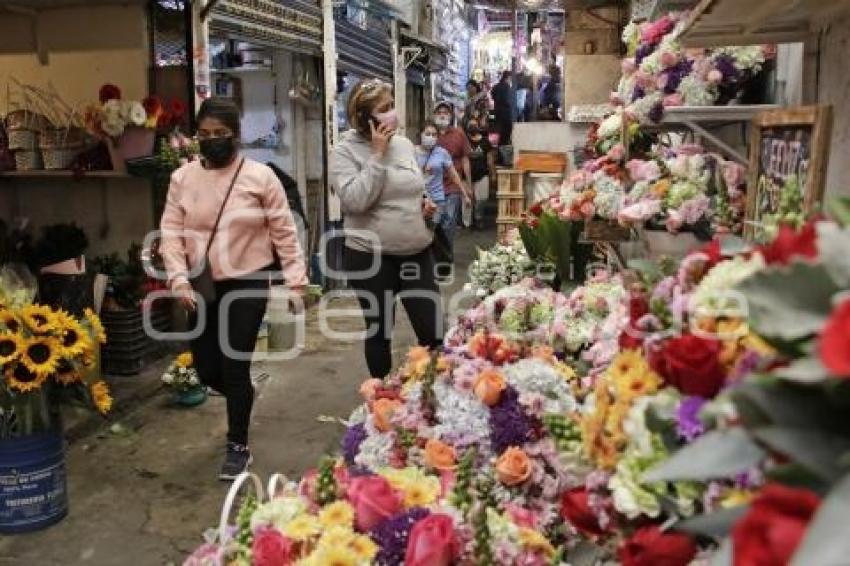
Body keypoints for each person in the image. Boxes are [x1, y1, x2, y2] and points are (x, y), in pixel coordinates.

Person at [159, 97, 309, 480]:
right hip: (201, 284)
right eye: (205, 134)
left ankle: (237, 446)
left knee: (234, 362)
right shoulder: (183, 179)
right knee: (208, 369)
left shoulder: (260, 177)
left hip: (249, 281)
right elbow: (171, 233)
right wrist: (177, 278)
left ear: (236, 135)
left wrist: (296, 282)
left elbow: (284, 233)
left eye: (221, 134)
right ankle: (241, 396)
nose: (213, 141)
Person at [329, 79, 443, 379]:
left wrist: (424, 203)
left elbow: (411, 186)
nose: (393, 113)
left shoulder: (404, 145)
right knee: (380, 329)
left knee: (433, 330)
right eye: (384, 109)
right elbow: (355, 201)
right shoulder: (344, 152)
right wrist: (377, 156)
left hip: (416, 251)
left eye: (392, 105)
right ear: (365, 118)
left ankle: (432, 395)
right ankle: (381, 396)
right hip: (370, 256)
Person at [415, 121, 465, 244]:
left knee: (434, 232)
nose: (431, 137)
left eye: (434, 134)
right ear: (421, 134)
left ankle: (437, 259)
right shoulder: (412, 152)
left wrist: (464, 193)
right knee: (420, 233)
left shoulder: (441, 152)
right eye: (427, 134)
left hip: (437, 200)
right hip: (418, 200)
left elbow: (453, 174)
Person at [433, 101, 473, 238]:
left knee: (449, 222)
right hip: (434, 186)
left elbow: (465, 160)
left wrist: (468, 183)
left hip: (453, 186)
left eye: (446, 112)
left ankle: (447, 255)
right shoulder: (430, 134)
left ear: (451, 115)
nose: (442, 115)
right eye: (439, 112)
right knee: (435, 222)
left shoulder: (459, 134)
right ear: (434, 115)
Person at [466, 119, 496, 229]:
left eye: (474, 125)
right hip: (467, 176)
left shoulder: (485, 141)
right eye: (470, 125)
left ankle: (479, 217)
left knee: (482, 198)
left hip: (482, 174)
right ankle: (469, 222)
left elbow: (490, 158)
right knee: (469, 199)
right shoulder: (464, 141)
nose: (472, 127)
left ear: (478, 127)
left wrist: (493, 174)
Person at [490, 70, 514, 146]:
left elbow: (492, 97)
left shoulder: (495, 86)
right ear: (508, 77)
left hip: (496, 113)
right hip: (506, 115)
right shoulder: (507, 87)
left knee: (496, 135)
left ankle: (496, 150)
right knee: (505, 138)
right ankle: (502, 153)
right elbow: (508, 101)